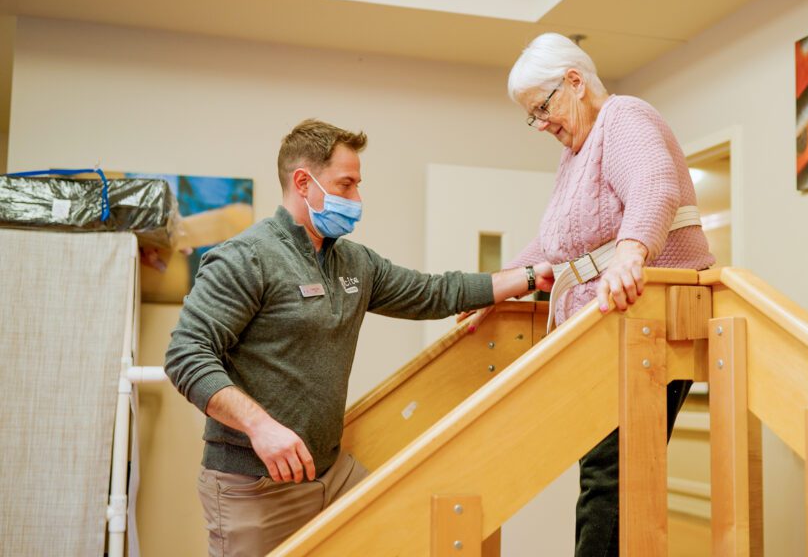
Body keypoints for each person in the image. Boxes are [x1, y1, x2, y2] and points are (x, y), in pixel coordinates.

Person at [164, 118, 553, 557]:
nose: (357, 199)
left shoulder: (354, 262)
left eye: (357, 185)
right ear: (303, 182)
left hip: (330, 473)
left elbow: (433, 291)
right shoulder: (246, 258)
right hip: (255, 484)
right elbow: (186, 354)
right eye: (346, 185)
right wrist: (261, 427)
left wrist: (526, 276)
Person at [463, 33, 716, 556]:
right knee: (603, 475)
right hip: (607, 335)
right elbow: (556, 242)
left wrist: (630, 254)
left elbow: (655, 185)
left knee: (610, 477)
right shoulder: (578, 151)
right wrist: (499, 286)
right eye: (531, 115)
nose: (541, 124)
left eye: (542, 108)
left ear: (574, 82)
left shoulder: (625, 117)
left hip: (650, 324)